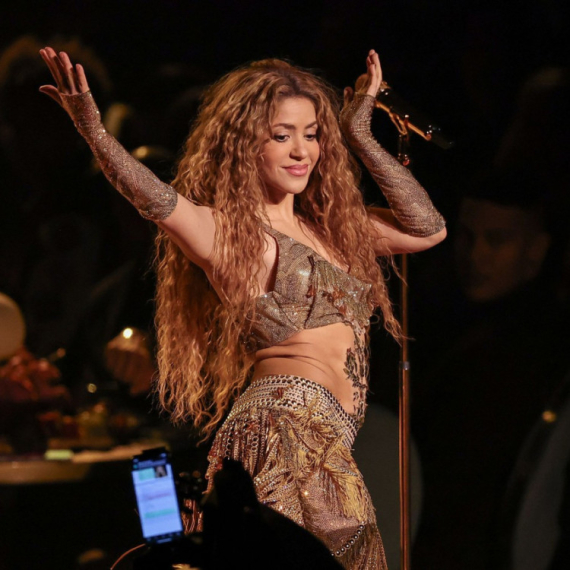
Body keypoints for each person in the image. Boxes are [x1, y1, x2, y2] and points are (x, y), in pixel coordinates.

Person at [39, 46, 446, 569]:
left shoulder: (337, 231)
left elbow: (428, 228)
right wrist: (94, 133)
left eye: (312, 134)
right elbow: (156, 200)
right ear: (245, 144)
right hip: (281, 428)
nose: (301, 151)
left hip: (328, 440)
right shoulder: (233, 235)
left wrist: (360, 134)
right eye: (281, 136)